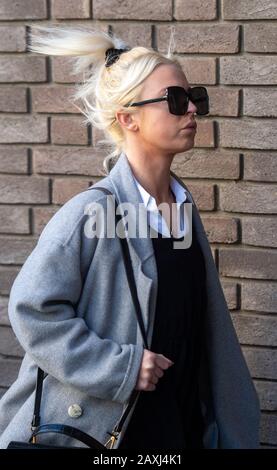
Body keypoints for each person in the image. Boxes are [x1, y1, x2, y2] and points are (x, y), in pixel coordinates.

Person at [0, 25, 260, 449]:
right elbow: (32, 309)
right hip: (109, 431)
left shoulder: (181, 209)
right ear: (129, 118)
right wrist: (119, 367)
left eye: (195, 98)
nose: (192, 109)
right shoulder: (91, 212)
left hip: (176, 425)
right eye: (176, 101)